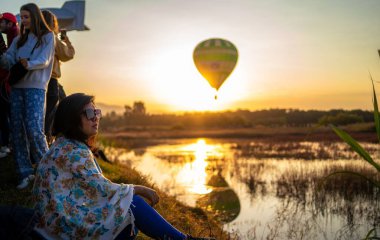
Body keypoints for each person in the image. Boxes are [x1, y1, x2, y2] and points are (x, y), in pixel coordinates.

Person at [32, 93, 214, 240]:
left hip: (54, 223)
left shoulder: (62, 145)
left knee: (126, 211)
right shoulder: (73, 151)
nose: (95, 118)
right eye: (89, 114)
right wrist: (138, 188)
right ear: (72, 119)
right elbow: (101, 188)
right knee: (132, 204)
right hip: (64, 227)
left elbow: (91, 187)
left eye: (97, 112)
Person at [0, 3, 55, 189]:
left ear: (35, 16)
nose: (23, 20)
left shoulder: (47, 37)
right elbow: (8, 58)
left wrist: (27, 64)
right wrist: (4, 57)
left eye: (26, 17)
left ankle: (48, 173)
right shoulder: (19, 40)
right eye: (21, 17)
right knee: (17, 131)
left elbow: (45, 60)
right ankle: (25, 173)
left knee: (33, 128)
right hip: (16, 87)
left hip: (36, 88)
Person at [41, 10, 75, 145]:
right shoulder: (52, 38)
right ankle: (47, 140)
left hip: (34, 78)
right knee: (50, 112)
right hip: (51, 79)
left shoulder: (33, 37)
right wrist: (67, 41)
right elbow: (68, 54)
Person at [0, 12, 19, 158]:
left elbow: (10, 60)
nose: (0, 25)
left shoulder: (14, 35)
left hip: (8, 82)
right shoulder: (11, 35)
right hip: (7, 81)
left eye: (2, 22)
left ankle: (8, 145)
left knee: (7, 113)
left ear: (10, 23)